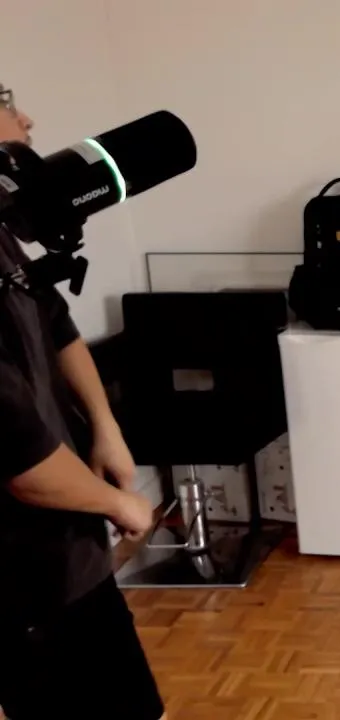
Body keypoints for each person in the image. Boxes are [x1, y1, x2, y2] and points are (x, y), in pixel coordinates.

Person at [0, 84, 166, 720]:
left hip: (72, 553)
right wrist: (119, 503)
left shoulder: (2, 237)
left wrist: (106, 427)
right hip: (25, 580)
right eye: (6, 103)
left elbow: (56, 324)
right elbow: (23, 463)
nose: (26, 118)